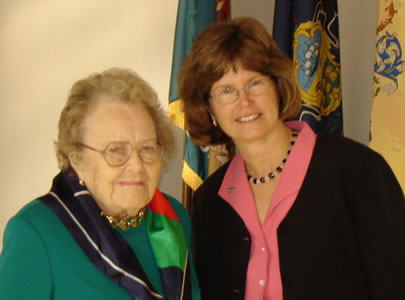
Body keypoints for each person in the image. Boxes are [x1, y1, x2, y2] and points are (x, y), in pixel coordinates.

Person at [179, 17, 405, 300]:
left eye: (254, 83)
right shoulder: (208, 202)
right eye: (226, 91)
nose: (244, 102)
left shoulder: (356, 170)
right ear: (208, 107)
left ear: (277, 86)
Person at [0, 68, 200, 300]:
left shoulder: (174, 216)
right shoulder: (36, 232)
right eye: (115, 150)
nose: (136, 165)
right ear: (76, 158)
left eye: (146, 148)